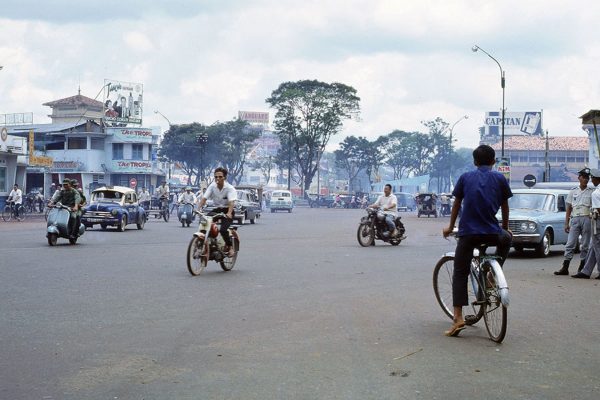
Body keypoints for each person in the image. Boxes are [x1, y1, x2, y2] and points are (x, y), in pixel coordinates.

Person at [442, 145, 513, 337]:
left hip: (469, 234)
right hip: (492, 232)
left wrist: (450, 227)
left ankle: (458, 318)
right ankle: (492, 277)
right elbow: (505, 205)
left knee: (459, 273)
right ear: (493, 161)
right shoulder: (499, 178)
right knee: (507, 239)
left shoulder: (465, 178)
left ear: (474, 161)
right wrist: (504, 227)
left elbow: (456, 203)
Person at [554, 168, 593, 275]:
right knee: (570, 243)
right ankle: (565, 267)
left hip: (587, 218)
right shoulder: (573, 191)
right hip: (575, 218)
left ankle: (582, 268)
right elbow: (569, 208)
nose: (585, 179)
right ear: (579, 178)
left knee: (585, 244)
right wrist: (566, 222)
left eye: (587, 178)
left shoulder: (591, 192)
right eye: (583, 177)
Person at [197, 167, 237, 258]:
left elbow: (231, 203)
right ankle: (207, 242)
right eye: (216, 177)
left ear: (224, 178)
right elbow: (204, 198)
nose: (217, 179)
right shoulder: (212, 186)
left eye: (220, 177)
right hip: (217, 209)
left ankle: (230, 247)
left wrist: (229, 213)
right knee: (204, 222)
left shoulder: (230, 188)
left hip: (228, 210)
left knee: (223, 230)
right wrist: (198, 209)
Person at [572, 168, 600, 279]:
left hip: (597, 221)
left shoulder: (596, 193)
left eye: (592, 178)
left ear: (596, 179)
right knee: (594, 246)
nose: (591, 180)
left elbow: (598, 209)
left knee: (597, 247)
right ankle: (586, 271)